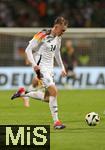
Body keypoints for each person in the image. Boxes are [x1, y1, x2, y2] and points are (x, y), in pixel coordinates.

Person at [11, 16, 68, 129]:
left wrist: (62, 67)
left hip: (50, 69)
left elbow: (57, 53)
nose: (63, 32)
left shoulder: (58, 38)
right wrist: (34, 65)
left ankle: (23, 93)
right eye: (62, 30)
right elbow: (28, 50)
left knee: (47, 98)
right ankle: (56, 122)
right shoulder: (42, 34)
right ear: (56, 27)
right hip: (41, 68)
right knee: (54, 91)